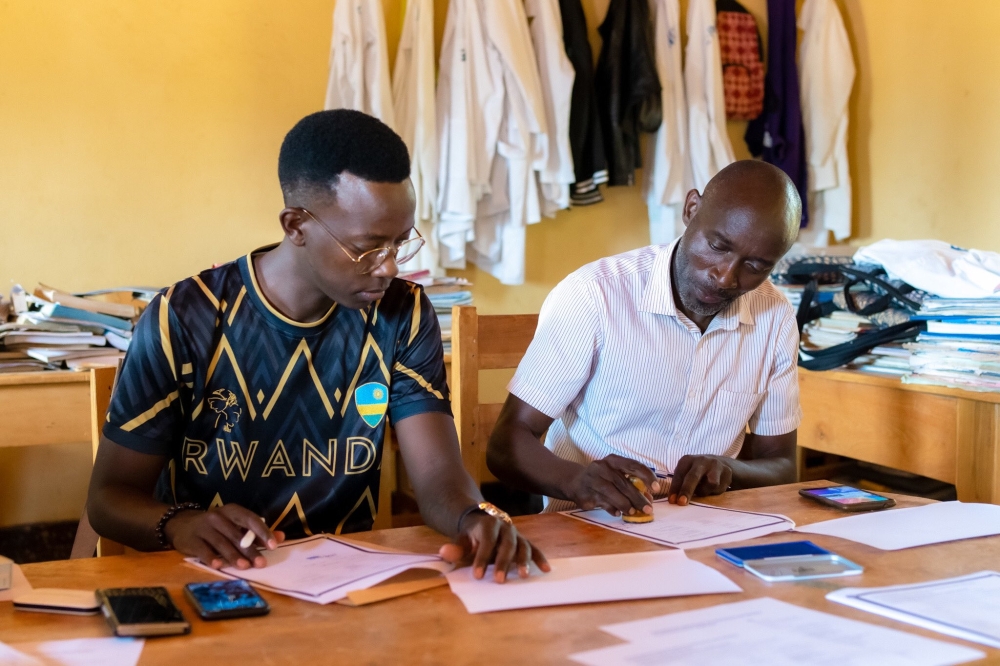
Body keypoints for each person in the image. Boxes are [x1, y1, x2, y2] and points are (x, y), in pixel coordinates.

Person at [87, 109, 548, 583]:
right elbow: (109, 498)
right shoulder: (186, 317)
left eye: (399, 244)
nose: (389, 267)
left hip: (349, 581)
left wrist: (474, 516)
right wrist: (180, 523)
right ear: (295, 227)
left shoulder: (401, 314)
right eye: (369, 247)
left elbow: (436, 479)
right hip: (216, 578)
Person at [488, 160, 802, 516]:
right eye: (717, 246)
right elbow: (506, 443)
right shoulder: (595, 295)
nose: (726, 277)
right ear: (691, 209)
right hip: (590, 527)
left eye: (756, 266)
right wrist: (578, 481)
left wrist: (729, 469)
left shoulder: (774, 316)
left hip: (707, 529)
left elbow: (781, 464)